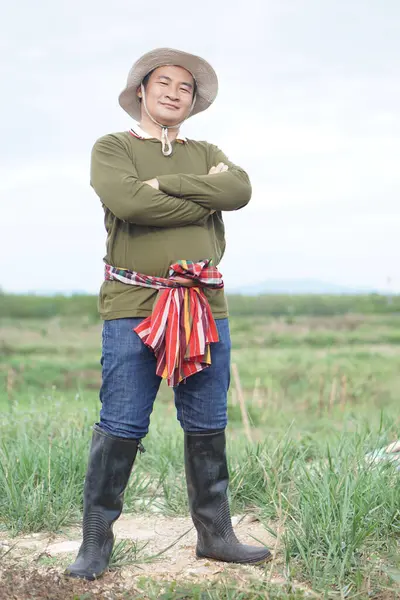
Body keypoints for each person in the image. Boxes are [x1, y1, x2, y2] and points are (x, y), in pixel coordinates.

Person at [66, 48, 272, 581]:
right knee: (122, 421)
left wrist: (168, 184)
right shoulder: (112, 147)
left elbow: (240, 190)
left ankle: (216, 535)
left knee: (207, 420)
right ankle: (95, 543)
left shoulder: (205, 149)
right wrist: (204, 196)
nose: (175, 92)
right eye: (164, 82)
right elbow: (131, 205)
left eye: (185, 86)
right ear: (141, 89)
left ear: (194, 100)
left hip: (204, 303)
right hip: (135, 303)